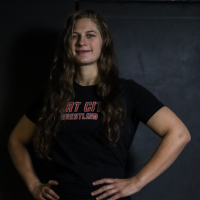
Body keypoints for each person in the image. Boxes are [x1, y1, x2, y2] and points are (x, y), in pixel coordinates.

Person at [8, 9, 191, 200]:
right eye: (74, 36)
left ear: (103, 42)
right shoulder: (53, 95)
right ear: (66, 44)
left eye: (90, 35)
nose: (81, 42)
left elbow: (179, 134)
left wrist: (137, 181)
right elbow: (16, 140)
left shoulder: (127, 91)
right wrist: (33, 184)